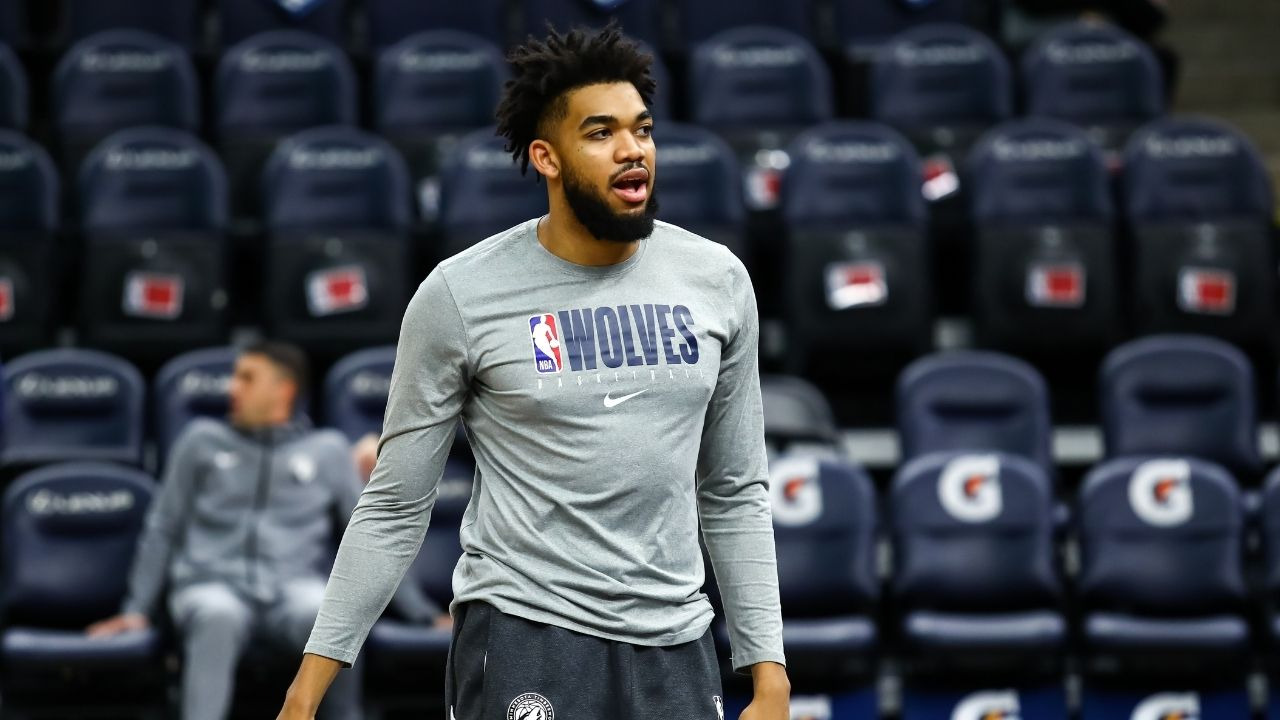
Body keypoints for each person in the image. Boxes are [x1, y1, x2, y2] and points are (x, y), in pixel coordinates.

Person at [279, 23, 790, 720]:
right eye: (601, 133)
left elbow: (733, 491)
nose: (633, 149)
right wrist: (305, 694)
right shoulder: (461, 295)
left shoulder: (717, 281)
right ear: (547, 157)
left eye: (642, 129)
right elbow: (395, 505)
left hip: (677, 640)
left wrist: (769, 672)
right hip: (526, 631)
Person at [86, 341, 447, 720]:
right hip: (211, 583)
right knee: (217, 613)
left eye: (247, 378)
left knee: (328, 612)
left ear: (283, 390)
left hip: (292, 588)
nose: (232, 388)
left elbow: (371, 537)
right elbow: (162, 527)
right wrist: (137, 610)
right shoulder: (200, 441)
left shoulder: (328, 451)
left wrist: (422, 614)